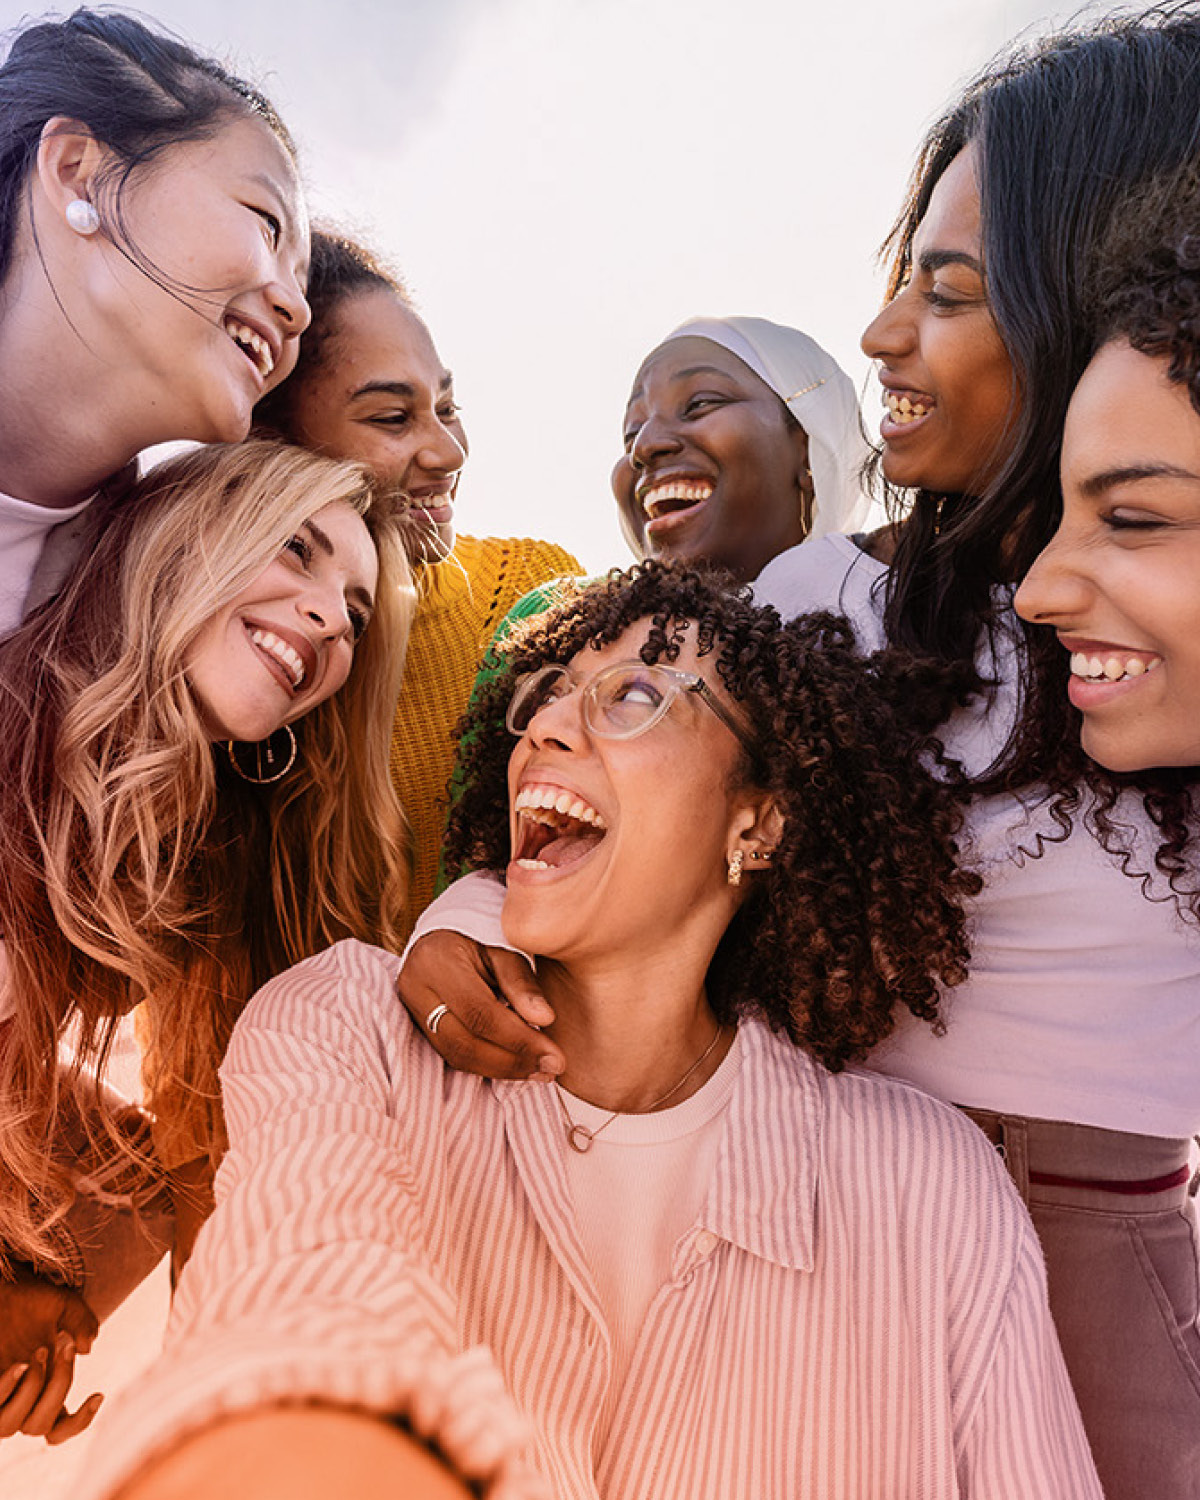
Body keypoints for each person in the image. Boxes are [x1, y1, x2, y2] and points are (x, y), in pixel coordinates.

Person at [395, 14, 1200, 1497]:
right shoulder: (827, 597)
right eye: (898, 286)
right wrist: (466, 923)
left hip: (1103, 1270)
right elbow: (628, 816)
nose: (886, 333)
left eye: (949, 294)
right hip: (800, 1207)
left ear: (1107, 311)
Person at [75, 563, 1098, 1500]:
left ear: (760, 823)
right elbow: (297, 1291)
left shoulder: (932, 1187)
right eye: (548, 696)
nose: (548, 730)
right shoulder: (344, 1029)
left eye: (637, 695)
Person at [0, 438, 411, 1441]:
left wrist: (32, 1285)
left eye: (355, 614)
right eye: (295, 549)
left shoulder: (132, 852)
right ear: (185, 542)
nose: (326, 616)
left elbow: (141, 1173)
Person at [255, 230, 579, 931]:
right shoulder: (226, 634)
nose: (449, 450)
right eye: (393, 418)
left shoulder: (533, 594)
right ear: (272, 443)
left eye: (448, 407)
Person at [0, 9, 310, 639]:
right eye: (265, 223)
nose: (298, 310)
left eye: (302, 283)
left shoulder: (138, 634)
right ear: (76, 169)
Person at [611, 315, 872, 581]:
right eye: (632, 432)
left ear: (807, 447)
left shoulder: (895, 615)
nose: (643, 446)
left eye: (700, 403)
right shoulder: (602, 621)